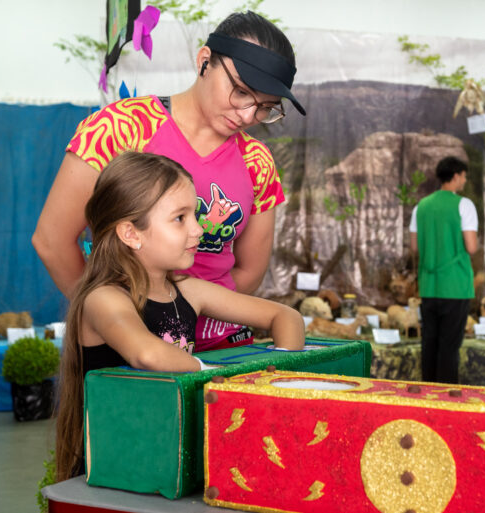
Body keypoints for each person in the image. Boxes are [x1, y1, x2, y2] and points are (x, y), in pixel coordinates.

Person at [33, 11, 306, 352]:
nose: (249, 115)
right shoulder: (121, 129)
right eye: (240, 92)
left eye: (266, 107)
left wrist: (192, 314)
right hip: (130, 346)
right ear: (204, 61)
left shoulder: (257, 162)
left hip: (223, 345)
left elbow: (249, 271)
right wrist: (113, 320)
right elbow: (51, 240)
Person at [54, 152, 305, 481]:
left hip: (172, 457)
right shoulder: (104, 299)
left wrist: (276, 389)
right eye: (180, 218)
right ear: (131, 233)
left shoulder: (189, 290)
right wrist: (222, 379)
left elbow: (286, 317)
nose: (198, 230)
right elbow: (148, 353)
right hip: (119, 469)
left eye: (195, 216)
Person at [409, 156, 477, 384]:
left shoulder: (421, 206)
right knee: (449, 347)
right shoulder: (464, 204)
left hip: (429, 285)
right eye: (464, 176)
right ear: (456, 176)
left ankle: (427, 394)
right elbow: (471, 246)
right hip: (455, 285)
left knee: (429, 343)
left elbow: (414, 246)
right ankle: (445, 399)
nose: (465, 181)